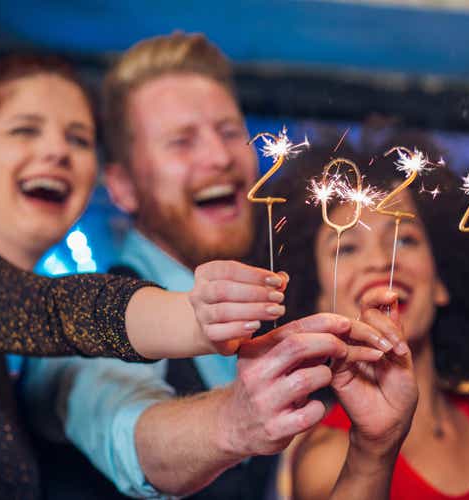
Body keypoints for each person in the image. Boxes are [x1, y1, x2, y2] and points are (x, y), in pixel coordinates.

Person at [21, 33, 402, 499]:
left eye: (228, 132)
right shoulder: (82, 317)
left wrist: (373, 445)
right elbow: (122, 425)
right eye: (182, 142)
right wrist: (233, 421)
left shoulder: (282, 306)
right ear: (121, 187)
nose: (219, 158)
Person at [0, 52, 301, 499]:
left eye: (79, 139)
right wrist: (193, 320)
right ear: (119, 186)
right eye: (25, 130)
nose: (220, 156)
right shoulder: (65, 334)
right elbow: (59, 317)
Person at [285, 141, 469, 500]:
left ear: (441, 283)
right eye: (348, 248)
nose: (380, 263)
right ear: (323, 301)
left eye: (404, 241)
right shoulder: (326, 458)